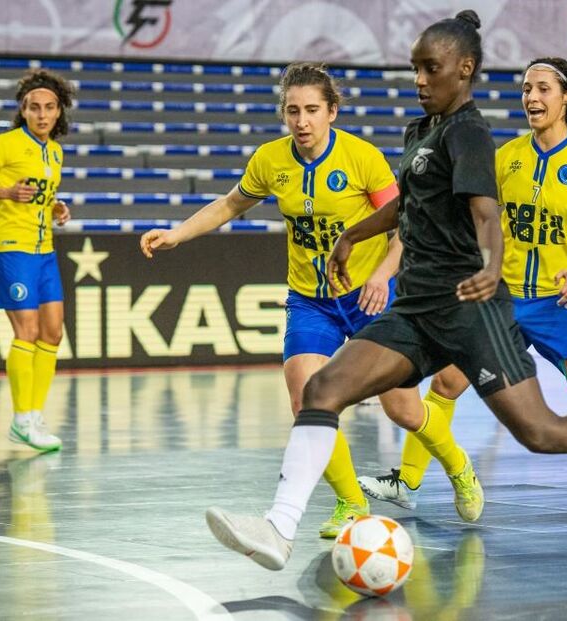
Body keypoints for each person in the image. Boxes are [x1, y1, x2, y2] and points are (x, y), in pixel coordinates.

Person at [203, 10, 567, 572]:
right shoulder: (423, 131)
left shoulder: (469, 131)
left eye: (430, 68)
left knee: (544, 432)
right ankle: (280, 527)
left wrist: (493, 263)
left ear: (463, 71)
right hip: (417, 308)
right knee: (322, 388)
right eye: (415, 69)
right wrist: (352, 234)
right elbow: (410, 203)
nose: (419, 79)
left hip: (470, 308)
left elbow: (484, 209)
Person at [140, 63, 483, 539]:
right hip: (311, 299)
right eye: (293, 111)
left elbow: (408, 221)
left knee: (402, 409)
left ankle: (458, 464)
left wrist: (384, 276)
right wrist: (177, 235)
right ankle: (350, 502)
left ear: (332, 112)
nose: (302, 121)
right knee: (306, 395)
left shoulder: (361, 159)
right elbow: (228, 205)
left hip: (370, 296)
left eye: (312, 111)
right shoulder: (270, 160)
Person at [359, 57, 567, 526]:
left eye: (542, 89)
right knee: (448, 381)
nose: (531, 97)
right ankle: (407, 483)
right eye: (526, 88)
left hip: (562, 302)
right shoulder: (505, 157)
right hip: (503, 299)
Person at [0, 69, 74, 452]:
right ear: (23, 111)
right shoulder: (5, 144)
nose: (42, 114)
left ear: (59, 112)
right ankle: (22, 418)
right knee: (27, 331)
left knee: (53, 332)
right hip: (11, 248)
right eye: (34, 107)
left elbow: (41, 193)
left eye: (49, 107)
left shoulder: (54, 152)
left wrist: (55, 207)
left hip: (44, 250)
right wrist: (4, 191)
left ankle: (34, 415)